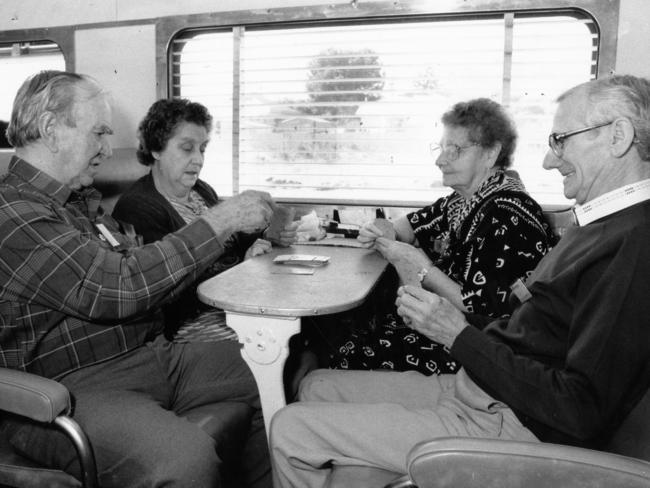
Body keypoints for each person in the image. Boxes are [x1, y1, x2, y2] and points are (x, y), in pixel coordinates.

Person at [269, 74, 650, 488]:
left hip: (515, 421)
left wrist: (456, 334)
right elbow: (526, 325)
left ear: (618, 137)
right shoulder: (596, 224)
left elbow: (580, 408)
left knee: (290, 428)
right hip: (486, 384)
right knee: (316, 385)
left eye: (562, 140)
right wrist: (459, 332)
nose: (548, 160)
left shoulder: (631, 245)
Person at [0, 70, 274, 488]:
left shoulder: (77, 205)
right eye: (99, 134)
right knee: (185, 461)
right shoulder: (14, 216)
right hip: (71, 388)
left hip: (151, 354)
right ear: (52, 130)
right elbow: (119, 287)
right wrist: (220, 221)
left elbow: (145, 272)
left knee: (272, 369)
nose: (108, 149)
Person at [329, 98, 555, 375]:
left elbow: (477, 307)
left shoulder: (506, 213)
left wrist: (420, 268)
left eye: (455, 150)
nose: (439, 160)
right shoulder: (462, 202)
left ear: (490, 154)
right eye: (441, 148)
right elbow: (405, 226)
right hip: (451, 326)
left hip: (484, 347)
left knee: (350, 352)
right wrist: (381, 229)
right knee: (350, 331)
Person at [112, 98, 296, 341]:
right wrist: (242, 268)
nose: (198, 160)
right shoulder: (138, 207)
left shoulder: (202, 191)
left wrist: (266, 236)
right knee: (285, 338)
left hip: (231, 299)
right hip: (192, 319)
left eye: (202, 149)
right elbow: (168, 290)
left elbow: (235, 241)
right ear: (156, 148)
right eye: (187, 148)